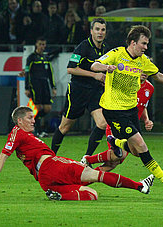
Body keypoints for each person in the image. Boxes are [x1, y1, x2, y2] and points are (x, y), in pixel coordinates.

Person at [90, 25, 163, 194]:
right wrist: (106, 67)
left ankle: (114, 141)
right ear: (133, 43)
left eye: (147, 44)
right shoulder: (117, 54)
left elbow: (158, 75)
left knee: (137, 152)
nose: (146, 47)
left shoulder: (143, 61)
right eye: (143, 43)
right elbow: (95, 65)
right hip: (114, 110)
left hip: (131, 111)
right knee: (142, 145)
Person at [0, 106, 154, 201]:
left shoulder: (26, 136)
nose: (33, 120)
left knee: (91, 194)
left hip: (47, 180)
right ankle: (140, 186)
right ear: (19, 120)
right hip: (51, 166)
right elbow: (4, 154)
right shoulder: (17, 132)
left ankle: (58, 196)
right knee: (95, 175)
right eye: (29, 118)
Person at [51, 18, 109, 157]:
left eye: (103, 30)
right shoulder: (83, 47)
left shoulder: (106, 49)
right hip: (78, 91)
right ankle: (49, 157)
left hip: (95, 91)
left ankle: (87, 158)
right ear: (91, 31)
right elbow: (70, 69)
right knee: (64, 127)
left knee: (102, 124)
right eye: (97, 29)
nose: (100, 32)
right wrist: (94, 75)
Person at [81, 73, 154, 172]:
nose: (145, 73)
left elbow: (142, 106)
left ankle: (83, 173)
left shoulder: (149, 88)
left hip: (132, 128)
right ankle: (87, 160)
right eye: (142, 70)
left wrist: (146, 120)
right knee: (118, 156)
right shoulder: (125, 83)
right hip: (117, 123)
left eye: (147, 71)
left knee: (114, 162)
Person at [22, 36, 56, 137]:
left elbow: (50, 74)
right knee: (37, 107)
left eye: (44, 44)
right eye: (40, 44)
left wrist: (53, 87)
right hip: (35, 84)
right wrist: (26, 88)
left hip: (45, 84)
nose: (42, 46)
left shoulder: (46, 58)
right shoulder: (31, 57)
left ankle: (34, 125)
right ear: (36, 45)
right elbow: (27, 72)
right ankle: (38, 130)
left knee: (47, 108)